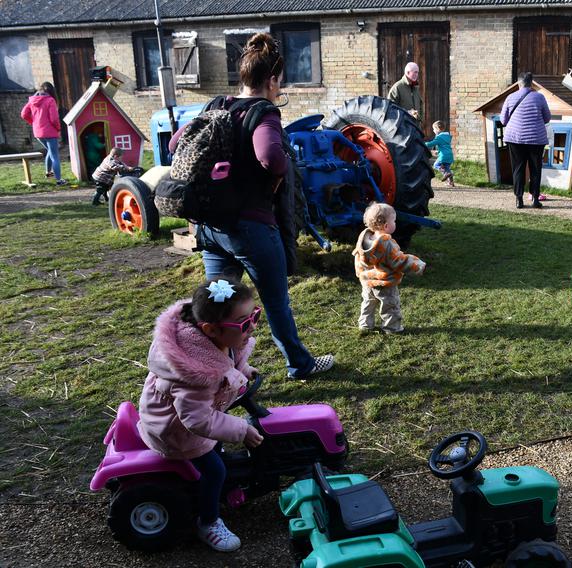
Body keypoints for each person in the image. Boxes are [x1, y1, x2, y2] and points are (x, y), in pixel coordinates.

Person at [168, 32, 334, 379]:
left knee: (220, 306)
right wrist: (281, 166)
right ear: (272, 79)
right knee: (276, 304)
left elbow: (175, 143)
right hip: (252, 231)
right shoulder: (264, 113)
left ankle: (215, 369)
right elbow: (271, 157)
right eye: (279, 80)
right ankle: (300, 365)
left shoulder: (216, 106)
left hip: (212, 228)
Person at [137, 278, 264, 552]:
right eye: (244, 322)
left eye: (255, 315)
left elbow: (225, 362)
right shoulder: (194, 375)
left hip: (195, 415)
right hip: (177, 431)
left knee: (218, 451)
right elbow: (196, 420)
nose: (252, 325)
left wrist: (241, 370)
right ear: (210, 329)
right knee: (215, 470)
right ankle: (208, 522)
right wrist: (241, 429)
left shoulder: (213, 339)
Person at [353, 202, 426, 335]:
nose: (395, 223)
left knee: (368, 303)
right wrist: (417, 265)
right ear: (386, 226)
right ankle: (392, 328)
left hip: (367, 281)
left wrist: (361, 274)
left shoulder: (364, 239)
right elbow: (398, 261)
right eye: (394, 220)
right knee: (390, 306)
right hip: (384, 282)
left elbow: (358, 258)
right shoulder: (386, 244)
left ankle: (365, 325)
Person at [501, 72, 550, 209]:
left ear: (518, 83)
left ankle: (519, 200)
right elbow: (547, 118)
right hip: (536, 139)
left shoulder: (510, 97)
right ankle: (535, 200)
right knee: (535, 169)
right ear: (531, 83)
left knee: (518, 168)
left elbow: (503, 120)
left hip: (514, 138)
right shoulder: (539, 97)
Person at [20, 82, 66, 185]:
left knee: (50, 151)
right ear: (51, 91)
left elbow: (23, 114)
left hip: (38, 132)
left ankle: (48, 173)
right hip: (50, 132)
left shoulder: (32, 100)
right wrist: (58, 128)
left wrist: (33, 122)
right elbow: (54, 119)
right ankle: (59, 180)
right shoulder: (50, 100)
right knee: (55, 155)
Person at [424, 120, 454, 187]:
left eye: (434, 129)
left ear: (438, 129)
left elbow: (431, 144)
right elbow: (444, 146)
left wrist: (423, 144)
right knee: (446, 167)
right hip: (450, 155)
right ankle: (451, 183)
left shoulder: (439, 138)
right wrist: (438, 151)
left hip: (443, 156)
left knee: (436, 165)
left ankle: (447, 173)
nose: (433, 130)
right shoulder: (447, 137)